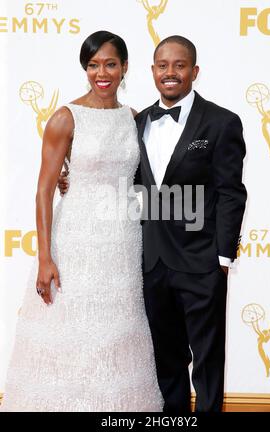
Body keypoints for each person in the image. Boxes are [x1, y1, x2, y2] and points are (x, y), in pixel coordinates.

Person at [59, 35, 247, 412]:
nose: (171, 73)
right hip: (150, 261)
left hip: (201, 262)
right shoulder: (138, 120)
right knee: (166, 362)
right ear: (152, 71)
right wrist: (75, 182)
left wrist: (223, 259)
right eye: (163, 66)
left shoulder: (222, 122)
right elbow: (125, 179)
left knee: (208, 363)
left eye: (179, 66)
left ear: (194, 71)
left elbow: (231, 192)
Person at [0, 30, 163, 412]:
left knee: (117, 329)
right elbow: (43, 191)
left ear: (124, 68)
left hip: (122, 244)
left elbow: (142, 185)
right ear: (84, 68)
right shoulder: (65, 117)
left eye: (109, 64)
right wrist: (45, 257)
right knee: (68, 330)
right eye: (92, 65)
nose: (101, 73)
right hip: (74, 241)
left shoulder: (133, 118)